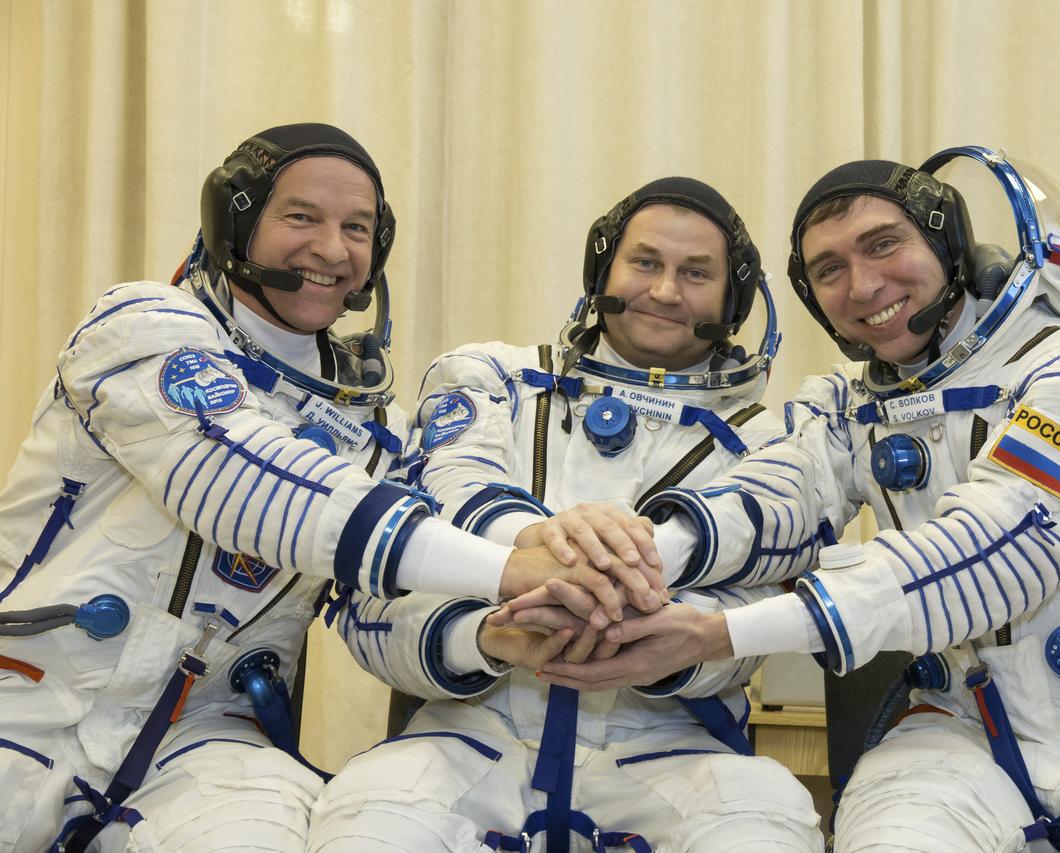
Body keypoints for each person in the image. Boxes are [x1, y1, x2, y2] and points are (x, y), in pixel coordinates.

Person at [531, 150, 1060, 851]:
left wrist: (720, 632)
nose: (862, 287)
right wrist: (625, 558)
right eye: (830, 269)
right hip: (957, 734)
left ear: (949, 245)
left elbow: (993, 549)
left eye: (883, 245)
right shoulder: (842, 404)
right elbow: (767, 502)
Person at [0, 123, 653, 853]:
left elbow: (379, 612)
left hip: (200, 735)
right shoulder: (140, 327)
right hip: (26, 701)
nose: (333, 250)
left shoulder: (371, 425)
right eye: (301, 217)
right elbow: (238, 478)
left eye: (357, 228)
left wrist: (485, 635)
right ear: (236, 221)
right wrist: (510, 567)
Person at [306, 178, 825, 852]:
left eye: (695, 273)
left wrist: (659, 647)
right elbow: (394, 579)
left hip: (668, 741)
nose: (666, 291)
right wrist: (500, 609)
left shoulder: (771, 441)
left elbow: (746, 617)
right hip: (473, 730)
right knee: (367, 827)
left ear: (733, 298)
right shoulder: (492, 379)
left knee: (767, 827)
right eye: (645, 263)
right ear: (601, 268)